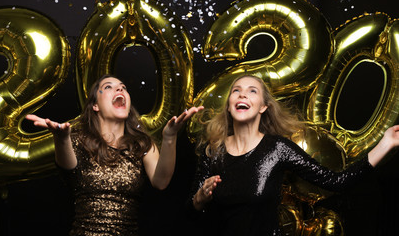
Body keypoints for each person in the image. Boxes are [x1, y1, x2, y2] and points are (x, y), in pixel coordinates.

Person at [187, 75, 399, 236]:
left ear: (263, 107)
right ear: (229, 105)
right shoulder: (213, 150)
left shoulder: (278, 148)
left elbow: (336, 182)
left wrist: (385, 144)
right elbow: (190, 212)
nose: (242, 94)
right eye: (236, 90)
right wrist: (199, 199)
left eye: (252, 91)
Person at [26, 74, 203, 236]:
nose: (120, 89)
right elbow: (68, 167)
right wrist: (61, 138)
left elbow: (161, 182)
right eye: (109, 87)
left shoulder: (141, 144)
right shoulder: (78, 140)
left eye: (123, 87)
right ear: (95, 105)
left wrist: (169, 138)